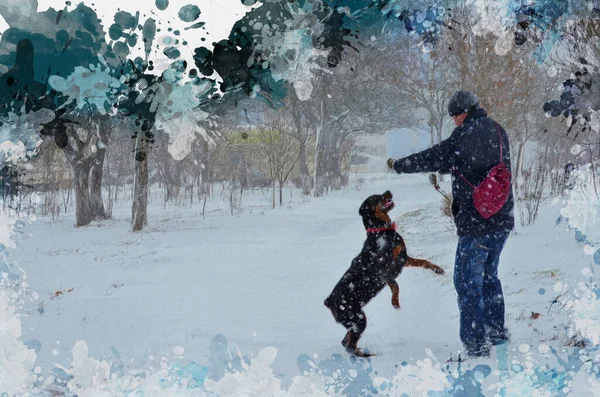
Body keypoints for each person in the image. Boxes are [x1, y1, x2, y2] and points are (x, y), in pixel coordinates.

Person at [386, 90, 514, 357]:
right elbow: (478, 164)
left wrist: (399, 165)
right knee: (489, 277)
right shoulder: (499, 131)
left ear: (463, 113)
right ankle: (497, 332)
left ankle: (476, 345)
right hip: (501, 220)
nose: (453, 121)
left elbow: (432, 157)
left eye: (454, 116)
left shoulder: (464, 134)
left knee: (468, 283)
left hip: (476, 222)